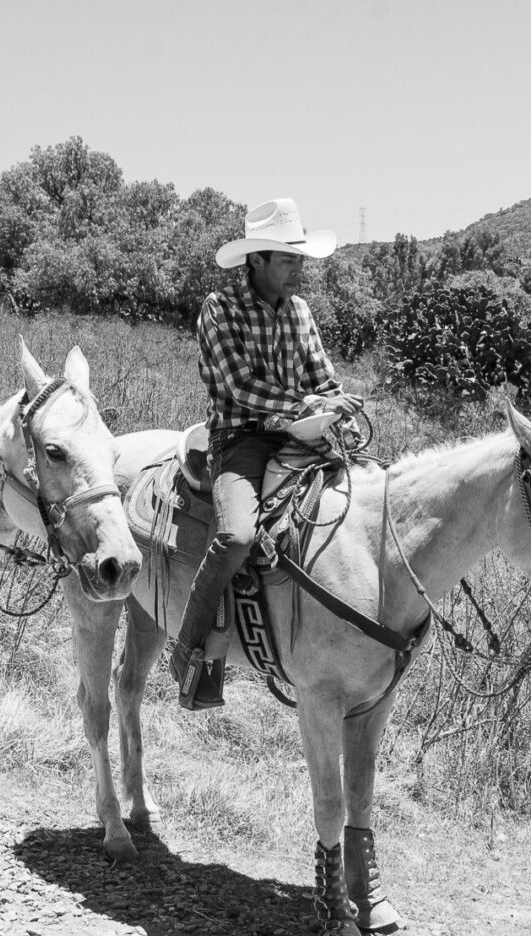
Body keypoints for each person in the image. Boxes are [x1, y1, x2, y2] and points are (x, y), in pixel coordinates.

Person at [170, 198, 363, 709]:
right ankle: (189, 650)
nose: (298, 268)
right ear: (255, 261)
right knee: (235, 535)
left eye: (298, 258)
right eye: (287, 259)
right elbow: (239, 388)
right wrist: (308, 402)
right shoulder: (220, 309)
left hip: (303, 434)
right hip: (242, 438)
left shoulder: (300, 312)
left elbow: (324, 376)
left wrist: (336, 401)